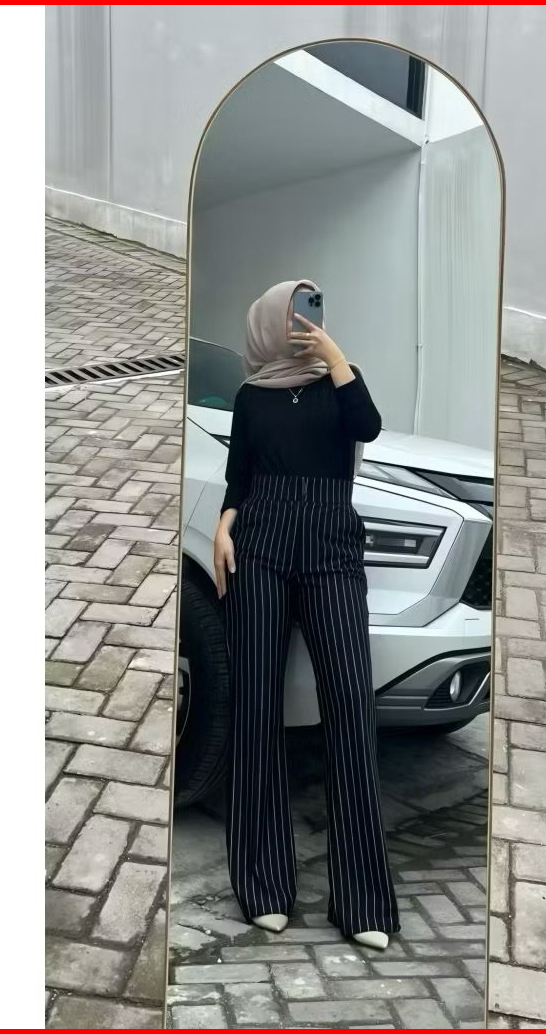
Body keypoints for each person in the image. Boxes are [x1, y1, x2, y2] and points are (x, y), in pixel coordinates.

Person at [213, 279, 400, 950]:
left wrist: (335, 356)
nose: (304, 320)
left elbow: (367, 427)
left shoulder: (339, 383)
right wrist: (224, 523)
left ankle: (362, 901)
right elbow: (239, 475)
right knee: (256, 706)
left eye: (313, 309)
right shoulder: (250, 395)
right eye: (294, 310)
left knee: (350, 705)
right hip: (258, 543)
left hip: (331, 547)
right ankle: (263, 886)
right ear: (270, 320)